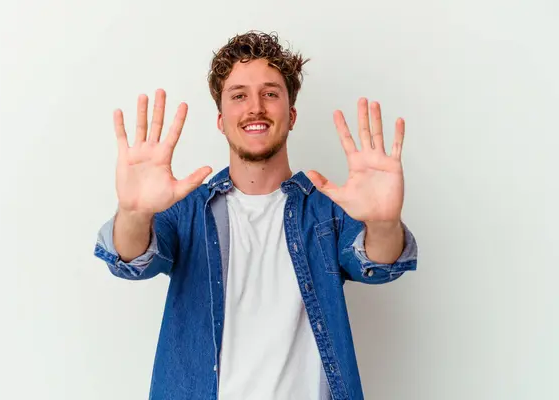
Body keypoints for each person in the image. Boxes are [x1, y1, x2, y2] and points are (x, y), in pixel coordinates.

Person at [94, 30, 418, 400]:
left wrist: (383, 222)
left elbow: (379, 263)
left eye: (270, 93)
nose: (255, 107)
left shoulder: (327, 212)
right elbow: (132, 259)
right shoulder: (186, 210)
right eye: (239, 96)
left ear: (292, 115)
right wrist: (133, 213)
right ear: (221, 119)